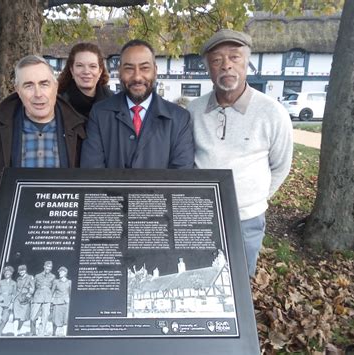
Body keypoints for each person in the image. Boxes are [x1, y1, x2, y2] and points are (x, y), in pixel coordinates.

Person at [187, 29, 293, 277]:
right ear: (208, 68)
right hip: (200, 218)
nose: (226, 66)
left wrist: (251, 200)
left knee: (239, 284)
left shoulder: (272, 113)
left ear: (247, 62)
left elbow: (280, 166)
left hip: (246, 221)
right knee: (200, 279)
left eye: (234, 57)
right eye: (216, 60)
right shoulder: (193, 111)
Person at [0, 55, 88, 251]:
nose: (38, 94)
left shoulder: (78, 127)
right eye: (28, 85)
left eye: (44, 84)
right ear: (17, 90)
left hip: (64, 227)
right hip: (14, 226)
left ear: (55, 87)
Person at [80, 39, 194, 169]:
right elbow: (93, 173)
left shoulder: (179, 118)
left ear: (155, 70)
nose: (137, 77)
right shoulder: (99, 113)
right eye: (129, 68)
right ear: (119, 72)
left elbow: (180, 178)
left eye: (145, 68)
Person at [57, 42, 112, 120]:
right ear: (72, 70)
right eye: (79, 65)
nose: (86, 71)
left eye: (92, 66)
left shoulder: (114, 104)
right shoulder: (57, 104)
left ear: (100, 71)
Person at [30, 261, 55, 336]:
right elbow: (32, 287)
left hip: (47, 298)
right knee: (32, 316)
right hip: (37, 297)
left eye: (50, 267)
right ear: (44, 266)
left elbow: (53, 288)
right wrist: (30, 295)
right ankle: (33, 332)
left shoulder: (53, 276)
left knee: (45, 317)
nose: (48, 268)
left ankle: (41, 333)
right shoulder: (37, 276)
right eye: (47, 266)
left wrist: (52, 298)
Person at [0, 266, 16, 336]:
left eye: (9, 272)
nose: (7, 273)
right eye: (5, 272)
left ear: (11, 273)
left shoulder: (14, 283)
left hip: (8, 304)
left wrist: (12, 304)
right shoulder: (0, 282)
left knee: (4, 319)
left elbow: (14, 294)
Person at [12, 265, 35, 336]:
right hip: (17, 298)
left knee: (22, 318)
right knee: (16, 316)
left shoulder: (30, 277)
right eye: (20, 270)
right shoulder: (18, 279)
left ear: (25, 270)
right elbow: (16, 288)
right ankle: (15, 333)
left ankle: (18, 330)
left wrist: (29, 295)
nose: (21, 272)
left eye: (23, 270)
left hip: (26, 299)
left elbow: (32, 288)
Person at [51, 266, 72, 336]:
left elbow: (71, 293)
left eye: (61, 272)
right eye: (59, 272)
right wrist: (51, 300)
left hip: (66, 303)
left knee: (65, 319)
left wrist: (69, 300)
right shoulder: (56, 281)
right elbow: (52, 292)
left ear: (65, 273)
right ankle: (54, 334)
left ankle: (64, 334)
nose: (60, 273)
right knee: (56, 319)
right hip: (57, 302)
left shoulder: (69, 282)